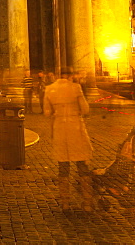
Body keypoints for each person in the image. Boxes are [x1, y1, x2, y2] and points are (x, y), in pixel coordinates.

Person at [43, 67, 94, 210]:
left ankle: (65, 201)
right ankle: (87, 201)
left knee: (63, 165)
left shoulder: (49, 89)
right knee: (82, 163)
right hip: (75, 127)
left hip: (59, 127)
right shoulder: (76, 87)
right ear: (70, 76)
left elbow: (47, 112)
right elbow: (85, 109)